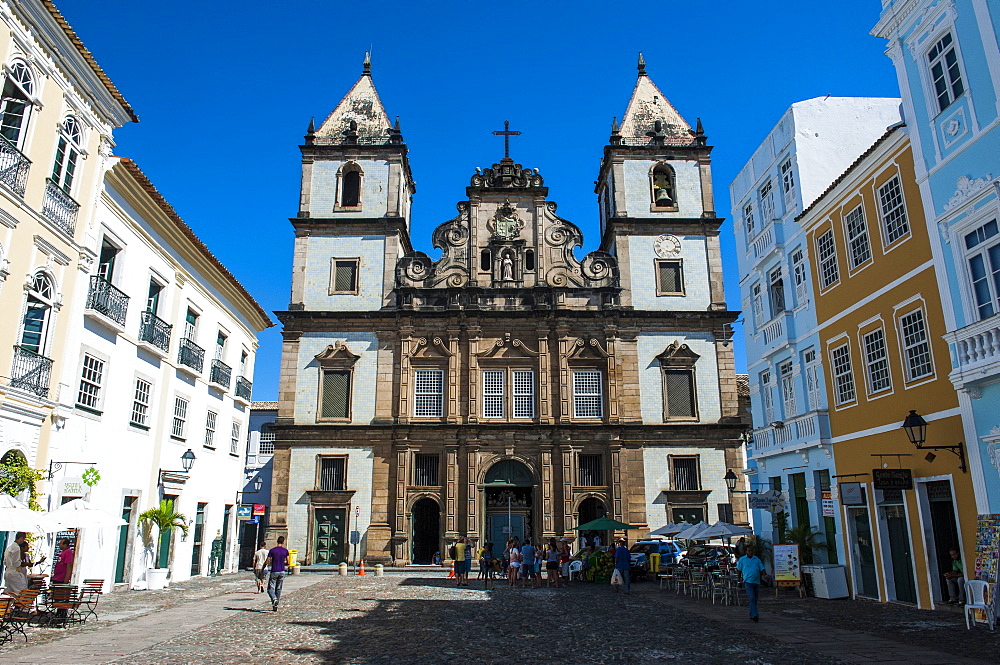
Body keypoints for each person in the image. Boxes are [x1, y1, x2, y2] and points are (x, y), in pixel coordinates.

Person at [736, 545, 767, 622]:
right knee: (752, 597)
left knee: (755, 599)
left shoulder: (756, 559)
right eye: (749, 550)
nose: (750, 552)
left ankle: (751, 613)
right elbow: (739, 571)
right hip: (747, 581)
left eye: (751, 551)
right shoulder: (742, 559)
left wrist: (765, 576)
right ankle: (755, 615)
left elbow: (762, 568)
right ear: (746, 551)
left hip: (756, 581)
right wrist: (738, 581)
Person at [265, 536, 290, 611]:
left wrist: (264, 567)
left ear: (277, 541)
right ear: (283, 542)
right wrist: (283, 562)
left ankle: (274, 599)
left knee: (270, 588)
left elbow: (267, 561)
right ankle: (275, 606)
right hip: (282, 571)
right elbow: (288, 562)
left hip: (274, 571)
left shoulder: (272, 550)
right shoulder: (285, 551)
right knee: (278, 588)